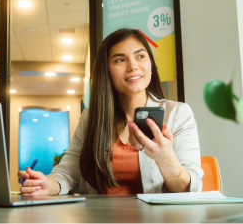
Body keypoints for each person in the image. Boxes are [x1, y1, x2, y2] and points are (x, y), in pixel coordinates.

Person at [18, 28, 204, 195]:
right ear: (106, 71)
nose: (133, 66)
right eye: (120, 60)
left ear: (150, 64)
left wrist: (165, 158)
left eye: (140, 56)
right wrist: (47, 185)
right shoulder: (91, 117)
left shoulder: (177, 113)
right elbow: (66, 172)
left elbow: (191, 187)